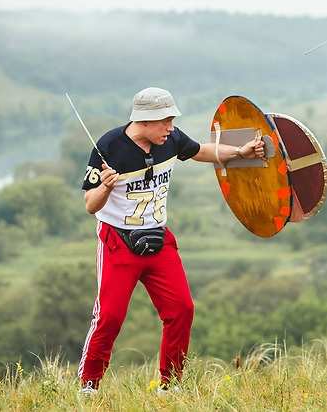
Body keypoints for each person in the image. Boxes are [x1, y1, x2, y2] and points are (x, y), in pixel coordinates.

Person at [77, 87, 265, 394]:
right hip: (118, 242)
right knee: (109, 317)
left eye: (172, 120)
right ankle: (89, 386)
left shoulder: (171, 139)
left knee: (182, 310)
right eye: (165, 120)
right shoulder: (108, 146)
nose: (171, 126)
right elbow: (90, 204)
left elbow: (200, 151)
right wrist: (107, 188)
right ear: (145, 120)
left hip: (159, 239)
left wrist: (238, 153)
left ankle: (171, 385)